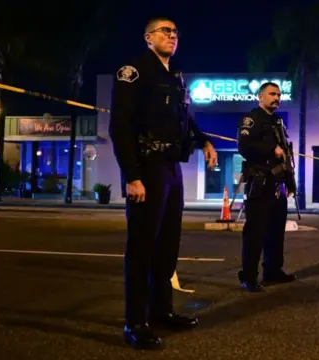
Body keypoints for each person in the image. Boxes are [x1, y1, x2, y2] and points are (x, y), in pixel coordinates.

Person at [108, 16, 218, 350]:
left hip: (172, 169)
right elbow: (121, 127)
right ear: (147, 37)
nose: (172, 36)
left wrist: (204, 141)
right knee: (142, 247)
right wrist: (133, 176)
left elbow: (186, 120)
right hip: (148, 168)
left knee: (168, 245)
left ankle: (162, 311)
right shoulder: (134, 72)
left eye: (175, 33)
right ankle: (135, 323)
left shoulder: (175, 78)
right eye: (164, 32)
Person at [236, 82, 298, 292]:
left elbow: (286, 154)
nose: (276, 98)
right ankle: (249, 277)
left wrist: (290, 182)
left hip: (278, 184)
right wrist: (272, 149)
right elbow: (244, 147)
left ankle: (273, 271)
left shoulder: (278, 121)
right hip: (260, 183)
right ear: (260, 97)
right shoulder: (251, 119)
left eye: (279, 95)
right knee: (255, 233)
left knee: (276, 231)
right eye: (272, 94)